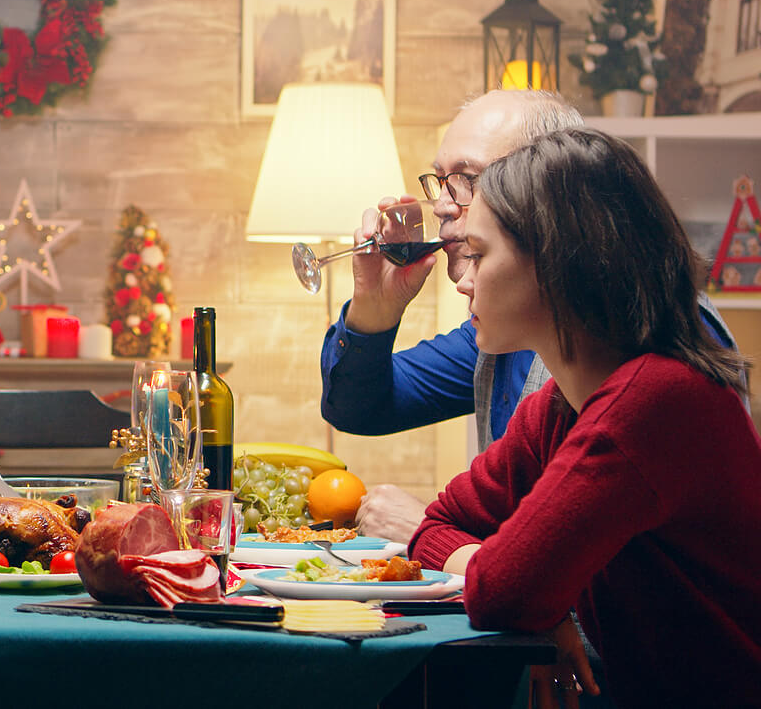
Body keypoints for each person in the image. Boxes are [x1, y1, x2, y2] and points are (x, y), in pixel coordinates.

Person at [411, 128, 761, 709]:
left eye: (479, 254)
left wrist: (523, 590)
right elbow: (437, 525)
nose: (464, 279)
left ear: (551, 262)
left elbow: (504, 592)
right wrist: (534, 601)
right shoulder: (559, 407)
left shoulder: (652, 403)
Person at [318, 89, 740, 544]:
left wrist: (428, 533)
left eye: (467, 179)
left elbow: (573, 567)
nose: (442, 203)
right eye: (441, 180)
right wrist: (374, 309)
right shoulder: (518, 329)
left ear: (550, 192)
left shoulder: (653, 345)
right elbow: (357, 408)